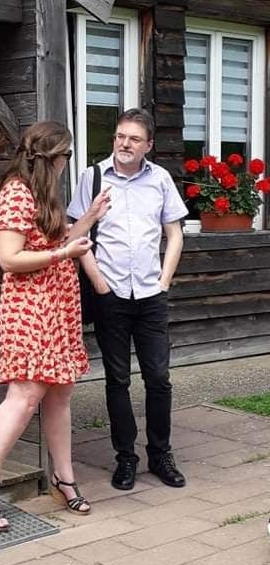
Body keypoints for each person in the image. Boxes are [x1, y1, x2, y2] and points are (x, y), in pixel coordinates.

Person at [0, 120, 111, 531]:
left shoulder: (42, 191)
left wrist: (89, 218)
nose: (68, 162)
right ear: (51, 158)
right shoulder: (15, 192)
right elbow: (9, 258)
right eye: (67, 155)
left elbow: (56, 241)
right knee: (24, 395)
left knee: (61, 393)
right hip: (29, 307)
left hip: (58, 304)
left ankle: (63, 479)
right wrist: (62, 254)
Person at [68, 108, 187, 491]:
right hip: (112, 295)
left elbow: (175, 234)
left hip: (151, 296)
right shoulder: (93, 177)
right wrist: (99, 284)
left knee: (159, 378)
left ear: (148, 145)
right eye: (120, 136)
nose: (124, 143)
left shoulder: (161, 179)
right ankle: (125, 459)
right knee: (117, 380)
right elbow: (76, 234)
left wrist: (164, 281)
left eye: (134, 138)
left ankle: (160, 454)